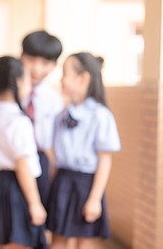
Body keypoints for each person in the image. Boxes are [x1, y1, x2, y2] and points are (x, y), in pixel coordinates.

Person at [46, 52, 120, 249]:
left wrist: (95, 199)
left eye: (65, 74)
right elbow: (54, 157)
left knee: (85, 241)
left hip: (86, 185)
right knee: (58, 240)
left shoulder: (100, 116)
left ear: (83, 78)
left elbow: (105, 160)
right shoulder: (61, 115)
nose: (61, 80)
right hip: (62, 182)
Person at [0, 56, 47, 249]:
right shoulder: (18, 120)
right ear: (19, 82)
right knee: (19, 241)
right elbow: (22, 165)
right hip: (18, 188)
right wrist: (35, 203)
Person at [21, 30, 64, 207]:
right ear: (21, 56)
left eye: (45, 63)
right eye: (31, 60)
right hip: (12, 162)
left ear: (54, 65)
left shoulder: (53, 99)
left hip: (40, 162)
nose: (37, 69)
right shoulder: (6, 93)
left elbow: (56, 142)